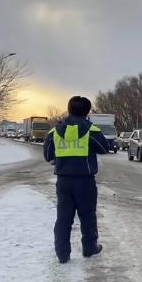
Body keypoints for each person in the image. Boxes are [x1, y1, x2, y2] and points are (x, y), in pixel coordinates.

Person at [43, 96, 108, 263]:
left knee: (63, 218)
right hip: (85, 181)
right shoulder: (91, 130)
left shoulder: (54, 131)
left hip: (63, 182)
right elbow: (104, 148)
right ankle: (89, 248)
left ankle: (62, 254)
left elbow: (47, 155)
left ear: (69, 109)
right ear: (87, 112)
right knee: (87, 216)